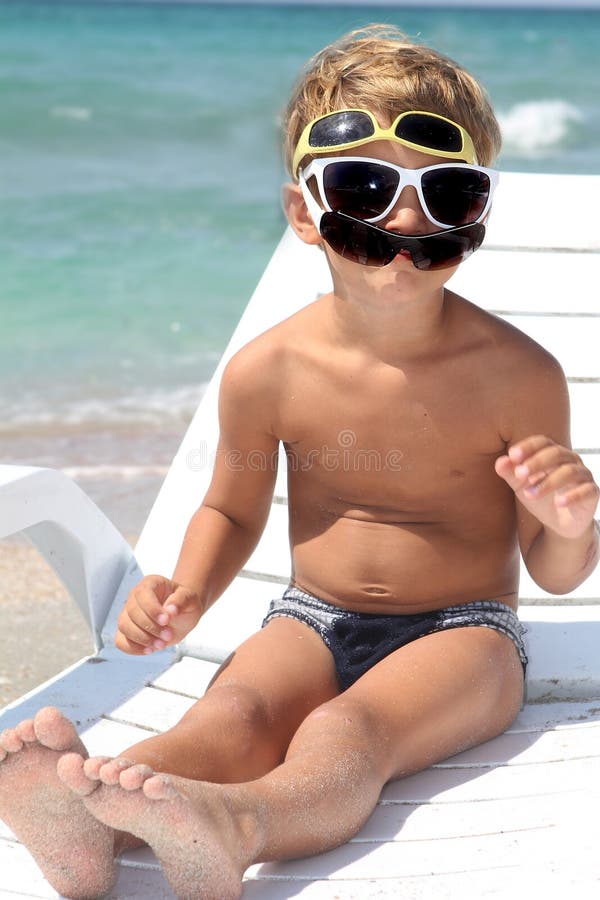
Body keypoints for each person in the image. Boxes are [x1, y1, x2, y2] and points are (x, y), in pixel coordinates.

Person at [1, 24, 598, 900]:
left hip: (467, 633)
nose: (403, 219)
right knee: (236, 712)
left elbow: (553, 574)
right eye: (364, 185)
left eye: (446, 194)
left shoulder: (519, 375)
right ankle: (83, 814)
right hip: (309, 613)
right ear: (304, 214)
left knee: (349, 733)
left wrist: (569, 521)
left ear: (476, 211)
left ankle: (237, 826)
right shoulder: (269, 370)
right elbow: (230, 510)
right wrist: (189, 589)